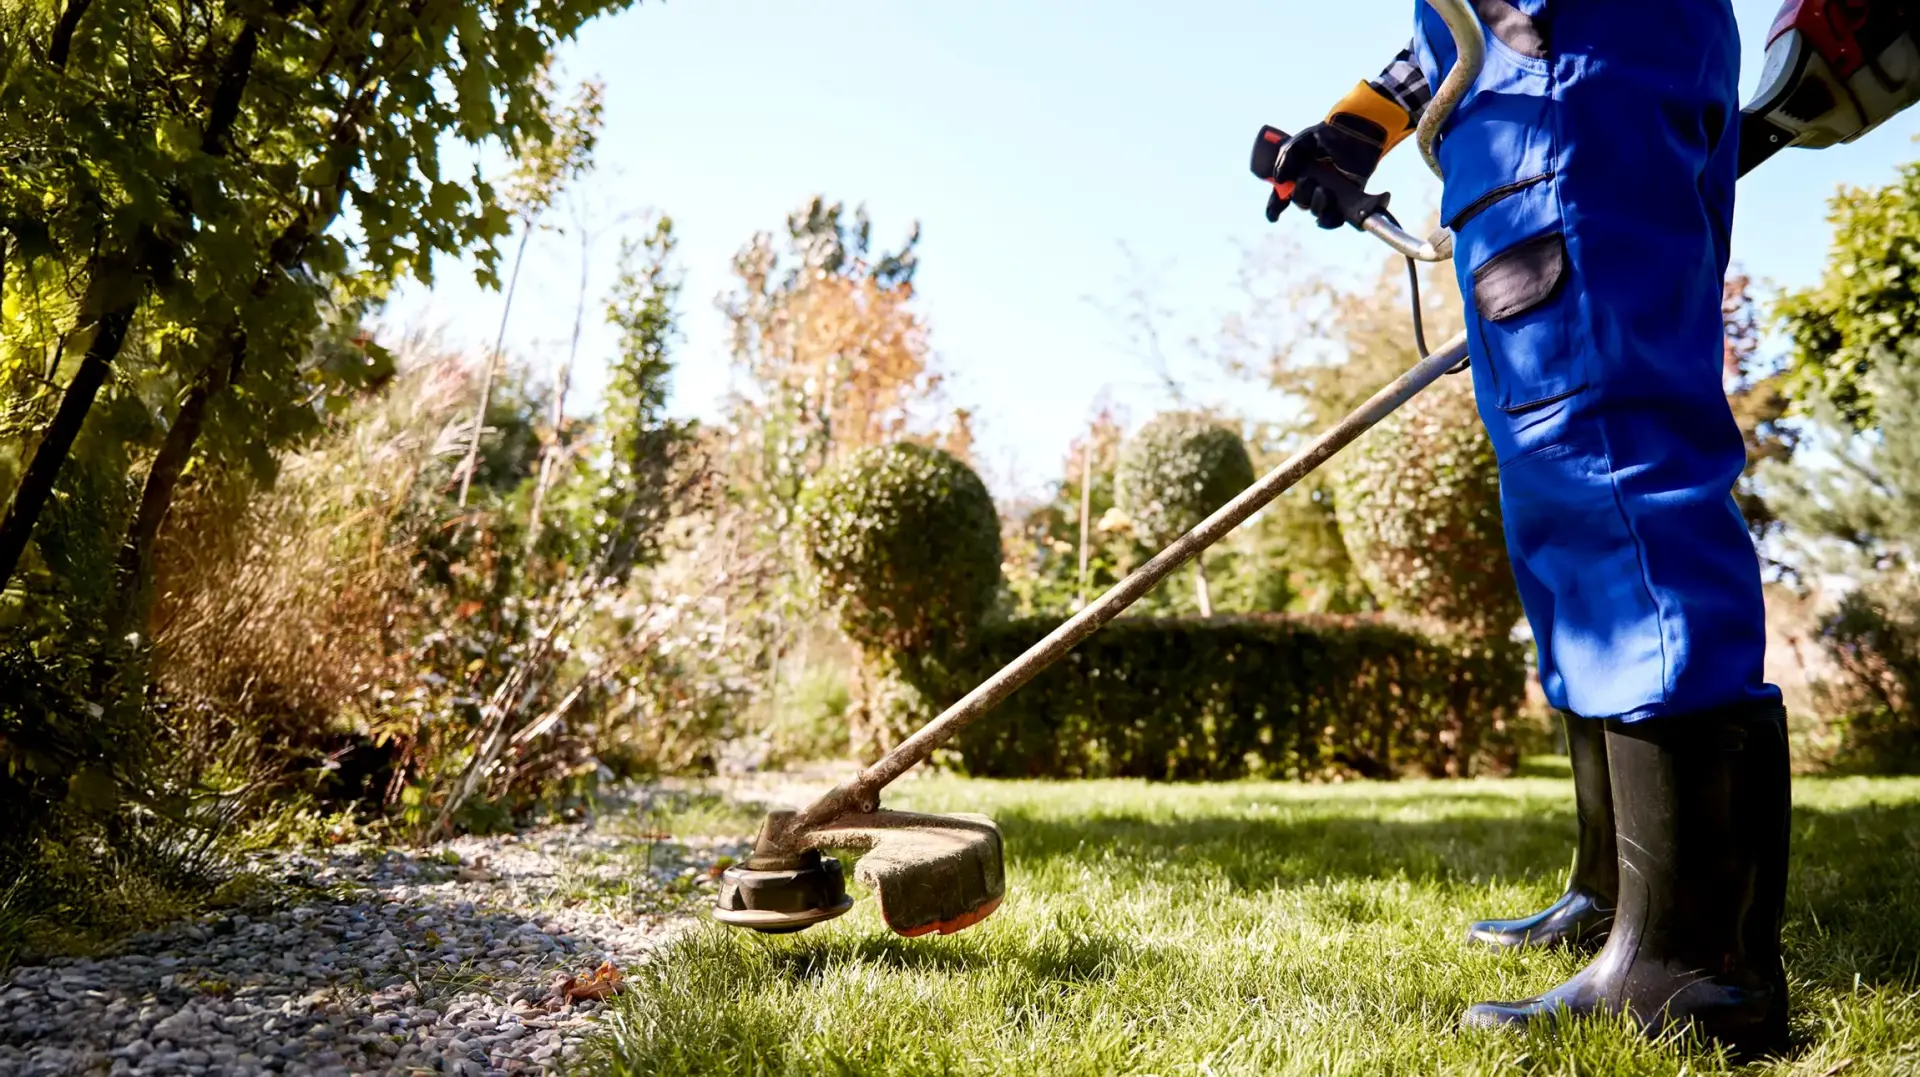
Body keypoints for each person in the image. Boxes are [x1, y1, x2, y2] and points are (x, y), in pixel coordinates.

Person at [1260, 0, 1790, 1055]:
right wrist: (1362, 121)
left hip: (1571, 69)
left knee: (1604, 458)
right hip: (1546, 79)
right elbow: (1452, 31)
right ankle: (1618, 898)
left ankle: (1693, 963)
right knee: (1560, 492)